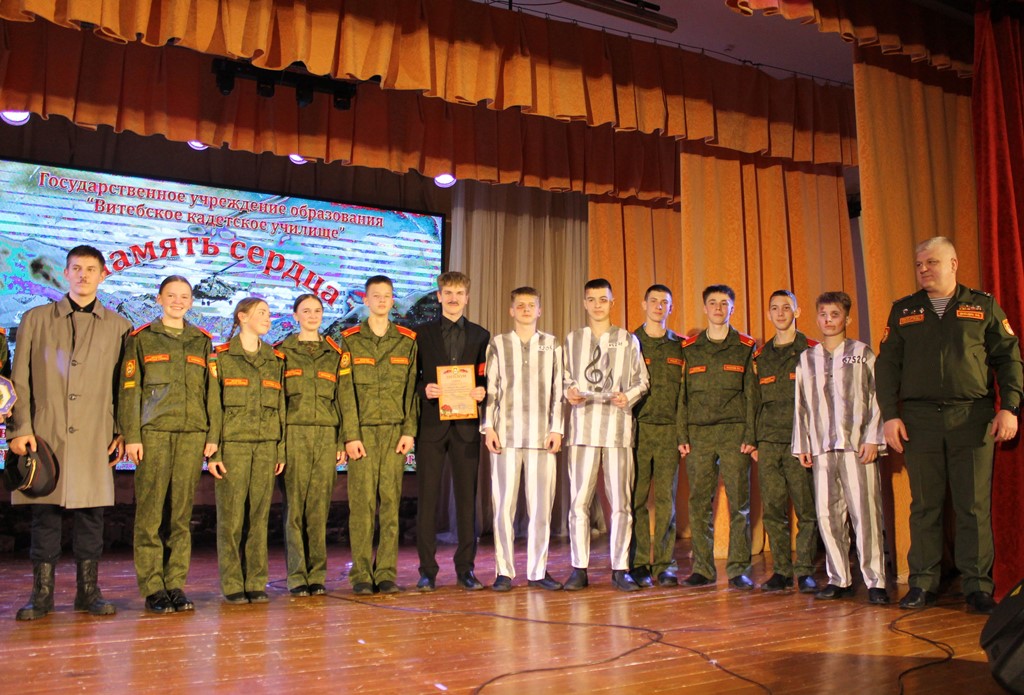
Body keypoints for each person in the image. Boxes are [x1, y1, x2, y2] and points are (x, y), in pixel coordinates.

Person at [876, 236, 1022, 614]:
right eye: (919, 264)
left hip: (972, 417)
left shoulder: (983, 306)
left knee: (973, 506)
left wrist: (1010, 407)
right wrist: (890, 415)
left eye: (932, 262)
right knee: (925, 505)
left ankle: (977, 586)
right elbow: (887, 366)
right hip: (920, 419)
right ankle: (922, 583)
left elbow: (1009, 358)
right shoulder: (904, 311)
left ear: (953, 264)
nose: (924, 269)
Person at [7, 245, 132, 621]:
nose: (83, 275)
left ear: (103, 275)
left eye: (91, 269)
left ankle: (88, 592)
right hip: (46, 433)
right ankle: (41, 595)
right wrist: (20, 428)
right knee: (44, 513)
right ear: (65, 273)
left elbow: (123, 387)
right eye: (76, 268)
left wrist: (121, 431)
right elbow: (19, 379)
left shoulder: (119, 326)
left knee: (92, 514)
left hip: (96, 433)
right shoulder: (35, 318)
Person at [120, 276, 218, 614]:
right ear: (159, 298)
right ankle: (153, 587)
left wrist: (212, 436)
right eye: (171, 295)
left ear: (191, 302)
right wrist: (132, 435)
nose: (178, 301)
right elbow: (130, 390)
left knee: (180, 516)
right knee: (150, 515)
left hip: (192, 435)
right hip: (154, 435)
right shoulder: (142, 339)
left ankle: (175, 583)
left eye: (184, 296)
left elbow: (211, 393)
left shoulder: (201, 341)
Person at [793, 292, 889, 605]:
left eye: (835, 314)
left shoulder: (862, 353)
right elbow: (801, 404)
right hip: (822, 448)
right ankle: (839, 578)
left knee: (865, 514)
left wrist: (873, 437)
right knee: (827, 514)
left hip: (856, 447)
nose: (829, 320)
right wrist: (803, 443)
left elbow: (878, 397)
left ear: (847, 318)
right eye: (823, 314)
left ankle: (875, 581)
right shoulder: (807, 358)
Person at [563, 278, 649, 592]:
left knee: (621, 503)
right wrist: (568, 391)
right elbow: (563, 378)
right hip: (583, 431)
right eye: (592, 299)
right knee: (579, 503)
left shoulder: (627, 339)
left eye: (603, 299)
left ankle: (620, 568)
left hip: (617, 431)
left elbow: (642, 380)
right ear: (584, 303)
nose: (597, 305)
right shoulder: (573, 340)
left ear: (612, 302)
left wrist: (630, 396)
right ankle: (579, 568)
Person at [337, 276, 418, 595]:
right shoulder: (351, 340)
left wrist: (409, 430)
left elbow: (411, 391)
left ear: (392, 301)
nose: (382, 300)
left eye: (387, 296)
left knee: (390, 506)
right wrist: (350, 436)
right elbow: (345, 392)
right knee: (361, 506)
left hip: (395, 433)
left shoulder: (407, 341)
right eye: (376, 295)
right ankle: (360, 574)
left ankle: (385, 573)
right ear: (366, 300)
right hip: (363, 435)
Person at [482, 287, 564, 592]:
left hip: (542, 438)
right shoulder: (499, 344)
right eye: (520, 305)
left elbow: (558, 390)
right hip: (506, 437)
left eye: (531, 305)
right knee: (503, 507)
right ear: (511, 311)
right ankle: (504, 571)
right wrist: (488, 427)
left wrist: (557, 429)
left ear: (539, 311)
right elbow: (491, 389)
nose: (526, 309)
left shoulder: (552, 344)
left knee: (541, 508)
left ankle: (538, 571)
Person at [679, 284, 758, 590]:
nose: (718, 308)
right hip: (699, 434)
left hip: (734, 433)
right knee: (699, 502)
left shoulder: (745, 346)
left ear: (732, 308)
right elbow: (683, 396)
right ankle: (703, 568)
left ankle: (738, 569)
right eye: (712, 303)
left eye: (724, 303)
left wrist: (751, 435)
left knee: (739, 503)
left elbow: (752, 394)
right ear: (705, 308)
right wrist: (682, 434)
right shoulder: (690, 348)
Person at [207, 297, 286, 604]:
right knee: (231, 519)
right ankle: (232, 583)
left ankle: (255, 580)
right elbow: (214, 407)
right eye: (261, 313)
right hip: (233, 447)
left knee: (259, 517)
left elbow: (281, 408)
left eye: (268, 313)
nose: (268, 318)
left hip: (265, 447)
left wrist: (280, 450)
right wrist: (214, 452)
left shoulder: (275, 359)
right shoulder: (222, 357)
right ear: (242, 317)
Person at [414, 271, 489, 591]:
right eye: (448, 292)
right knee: (427, 501)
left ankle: (466, 569)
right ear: (439, 296)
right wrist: (424, 389)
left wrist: (483, 391)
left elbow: (486, 377)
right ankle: (427, 571)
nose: (454, 298)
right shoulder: (421, 334)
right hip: (431, 426)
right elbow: (413, 378)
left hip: (466, 428)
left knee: (467, 502)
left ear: (467, 298)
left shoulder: (481, 335)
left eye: (459, 293)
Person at [277, 294, 346, 597]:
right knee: (294, 509)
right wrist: (280, 446)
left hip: (326, 436)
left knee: (318, 509)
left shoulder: (334, 354)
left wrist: (341, 439)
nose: (312, 315)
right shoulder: (281, 353)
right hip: (294, 434)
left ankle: (316, 574)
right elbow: (277, 404)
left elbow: (341, 400)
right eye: (306, 311)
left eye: (317, 310)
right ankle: (296, 575)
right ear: (295, 315)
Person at [753, 290, 819, 594]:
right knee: (773, 510)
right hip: (769, 442)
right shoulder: (761, 356)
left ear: (797, 311)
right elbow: (755, 400)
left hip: (800, 441)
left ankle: (804, 570)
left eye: (786, 307)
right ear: (769, 314)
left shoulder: (812, 351)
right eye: (775, 308)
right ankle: (781, 570)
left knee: (806, 510)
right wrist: (754, 440)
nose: (780, 313)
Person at [630, 284, 686, 588]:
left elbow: (685, 394)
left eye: (664, 302)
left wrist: (681, 433)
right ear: (644, 304)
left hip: (668, 433)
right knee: (636, 500)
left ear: (671, 307)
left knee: (666, 501)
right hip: (637, 431)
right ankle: (638, 562)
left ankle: (665, 564)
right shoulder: (630, 342)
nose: (658, 306)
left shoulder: (680, 345)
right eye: (653, 301)